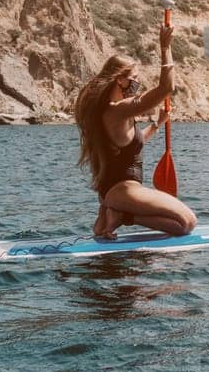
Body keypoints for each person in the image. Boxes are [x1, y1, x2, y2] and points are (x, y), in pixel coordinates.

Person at [74, 21, 198, 240]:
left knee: (178, 225)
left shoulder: (113, 113)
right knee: (187, 222)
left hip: (115, 193)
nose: (137, 84)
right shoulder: (116, 110)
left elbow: (131, 146)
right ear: (120, 80)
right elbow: (166, 88)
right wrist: (165, 48)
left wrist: (157, 124)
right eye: (134, 79)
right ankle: (122, 216)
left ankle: (117, 214)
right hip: (124, 191)